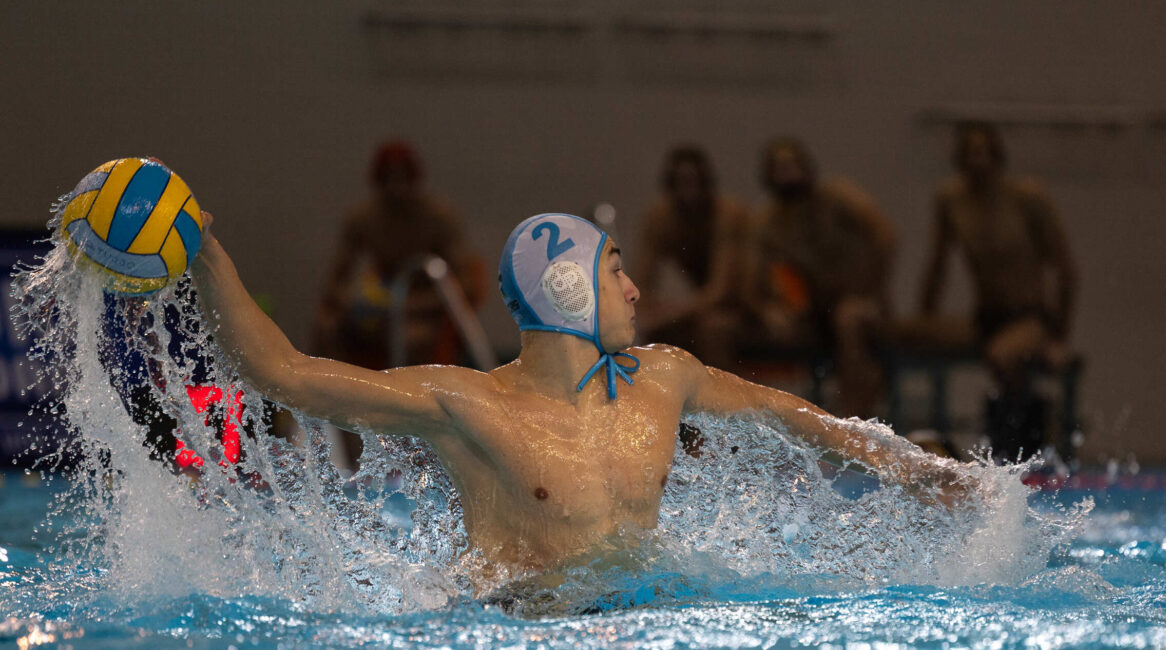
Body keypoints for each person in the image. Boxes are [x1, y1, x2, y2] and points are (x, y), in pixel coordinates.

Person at [192, 210, 968, 583]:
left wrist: (909, 467)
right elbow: (284, 374)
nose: (635, 290)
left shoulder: (663, 379)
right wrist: (207, 251)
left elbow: (789, 413)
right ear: (565, 287)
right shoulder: (469, 407)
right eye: (615, 273)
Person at [919, 122, 1077, 459]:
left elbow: (1065, 270)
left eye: (983, 153)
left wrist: (1059, 336)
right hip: (985, 317)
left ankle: (1022, 447)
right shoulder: (951, 200)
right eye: (970, 153)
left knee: (1003, 355)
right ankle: (927, 444)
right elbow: (937, 266)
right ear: (960, 159)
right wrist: (925, 320)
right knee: (895, 335)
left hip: (1030, 316)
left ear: (997, 157)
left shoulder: (1027, 198)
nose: (977, 161)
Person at [742, 137, 897, 418]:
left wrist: (869, 287)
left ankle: (856, 414)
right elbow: (753, 277)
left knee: (848, 319)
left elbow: (885, 236)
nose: (788, 175)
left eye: (792, 166)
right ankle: (770, 419)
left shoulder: (838, 197)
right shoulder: (768, 221)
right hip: (815, 308)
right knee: (778, 328)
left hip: (861, 300)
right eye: (779, 169)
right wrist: (769, 309)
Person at [312, 140, 482, 370]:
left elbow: (465, 284)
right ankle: (334, 397)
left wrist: (411, 304)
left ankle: (408, 400)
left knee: (408, 339)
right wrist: (350, 301)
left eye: (402, 177)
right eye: (388, 178)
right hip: (378, 306)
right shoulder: (364, 218)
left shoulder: (438, 217)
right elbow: (336, 277)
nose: (396, 187)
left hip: (422, 309)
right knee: (327, 326)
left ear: (414, 178)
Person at [632, 146, 750, 368]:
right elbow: (640, 281)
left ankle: (724, 400)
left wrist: (672, 312)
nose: (689, 191)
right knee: (647, 328)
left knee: (713, 327)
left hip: (744, 304)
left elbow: (722, 289)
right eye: (680, 182)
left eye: (695, 182)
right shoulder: (660, 217)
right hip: (704, 305)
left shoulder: (728, 215)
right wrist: (647, 308)